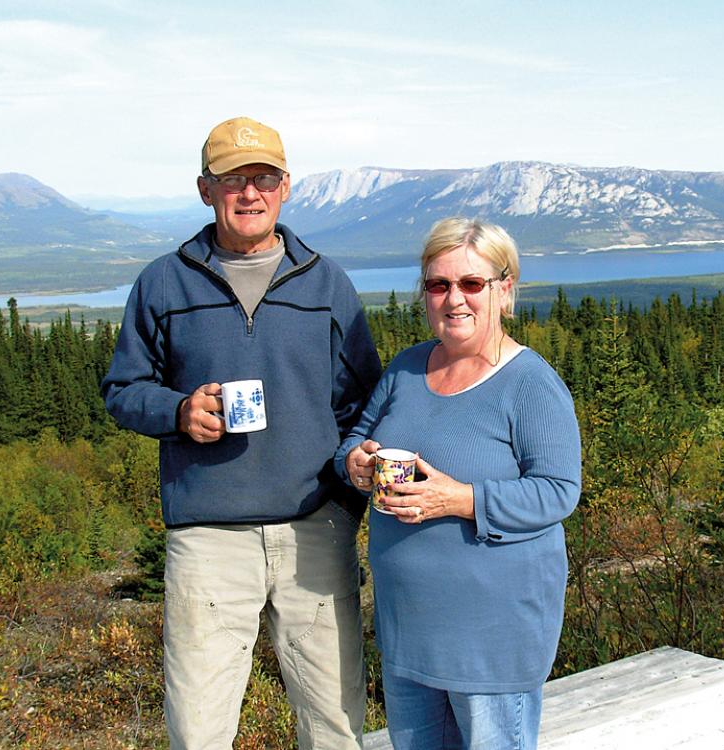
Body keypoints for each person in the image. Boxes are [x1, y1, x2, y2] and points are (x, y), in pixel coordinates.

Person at [102, 116, 381, 750]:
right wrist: (177, 411)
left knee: (334, 723)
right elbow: (122, 389)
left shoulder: (327, 283)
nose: (249, 194)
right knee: (199, 729)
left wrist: (347, 495)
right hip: (206, 540)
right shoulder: (162, 283)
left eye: (263, 179)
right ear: (206, 190)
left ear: (286, 188)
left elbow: (361, 404)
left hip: (315, 530)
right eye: (233, 180)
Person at [336, 217, 582, 749]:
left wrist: (460, 499)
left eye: (472, 284)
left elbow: (559, 490)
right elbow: (356, 437)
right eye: (438, 284)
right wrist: (354, 461)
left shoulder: (531, 384)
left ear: (504, 289)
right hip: (409, 628)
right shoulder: (405, 370)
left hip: (491, 638)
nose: (455, 299)